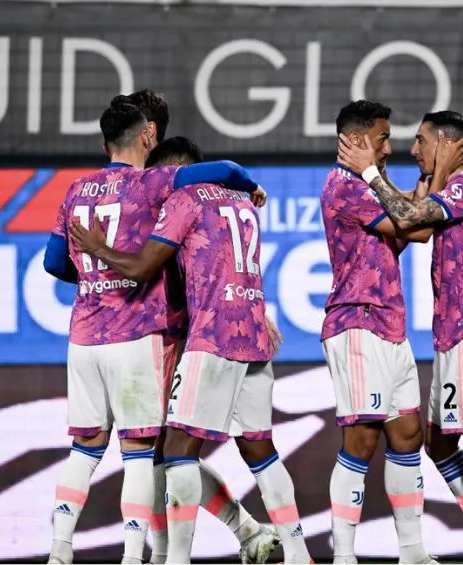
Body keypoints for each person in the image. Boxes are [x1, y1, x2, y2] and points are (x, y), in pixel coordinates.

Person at [42, 97, 266, 564]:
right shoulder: (153, 183)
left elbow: (53, 262)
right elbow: (227, 169)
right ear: (147, 135)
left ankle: (59, 551)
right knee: (145, 452)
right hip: (139, 335)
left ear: (104, 143)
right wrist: (251, 185)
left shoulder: (75, 190)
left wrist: (97, 278)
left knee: (86, 448)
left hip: (83, 336)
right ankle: (137, 556)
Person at [68, 136, 311, 564]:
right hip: (253, 335)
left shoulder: (183, 200)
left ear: (174, 171)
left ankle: (175, 559)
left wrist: (96, 248)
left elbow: (142, 267)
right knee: (259, 449)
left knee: (174, 451)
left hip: (209, 339)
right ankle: (297, 553)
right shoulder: (242, 202)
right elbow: (221, 266)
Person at [338, 110, 463, 564]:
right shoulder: (452, 187)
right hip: (449, 336)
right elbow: (416, 208)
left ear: (444, 143)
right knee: (440, 444)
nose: (411, 149)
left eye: (421, 141)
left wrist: (369, 171)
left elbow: (408, 217)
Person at [122, 89, 278, 565]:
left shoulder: (172, 183)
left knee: (164, 450)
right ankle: (244, 533)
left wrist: (252, 311)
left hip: (181, 333)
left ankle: (171, 554)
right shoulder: (138, 184)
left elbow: (220, 256)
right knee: (162, 452)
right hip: (154, 330)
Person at [318, 100, 440, 565]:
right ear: (357, 140)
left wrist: (425, 181)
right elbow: (415, 226)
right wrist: (388, 180)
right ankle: (344, 555)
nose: (389, 148)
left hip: (390, 323)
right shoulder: (345, 187)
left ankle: (413, 552)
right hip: (357, 322)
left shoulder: (369, 185)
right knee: (362, 440)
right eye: (383, 138)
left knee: (407, 435)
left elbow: (407, 233)